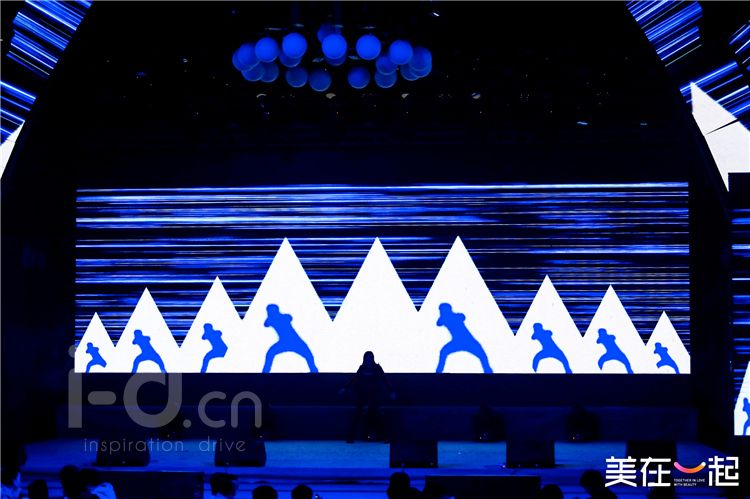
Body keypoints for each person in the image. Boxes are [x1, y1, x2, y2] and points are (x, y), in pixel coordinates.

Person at [341, 351, 394, 442]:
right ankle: (350, 437)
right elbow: (354, 379)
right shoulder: (362, 368)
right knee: (357, 414)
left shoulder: (377, 368)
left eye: (370, 357)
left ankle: (385, 437)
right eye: (367, 357)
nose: (368, 359)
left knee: (378, 415)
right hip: (362, 395)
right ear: (364, 359)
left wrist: (391, 391)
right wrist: (345, 388)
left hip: (374, 395)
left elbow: (384, 379)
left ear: (372, 358)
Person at [435, 303, 492, 373]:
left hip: (468, 341)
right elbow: (438, 323)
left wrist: (447, 314)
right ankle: (438, 372)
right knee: (443, 352)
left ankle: (488, 371)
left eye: (442, 310)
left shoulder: (453, 316)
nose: (441, 311)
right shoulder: (445, 318)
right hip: (458, 341)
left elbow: (462, 317)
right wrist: (444, 315)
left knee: (482, 356)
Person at [262, 304, 318, 373]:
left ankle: (314, 371)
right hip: (285, 342)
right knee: (270, 353)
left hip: (295, 341)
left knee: (308, 355)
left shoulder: (281, 318)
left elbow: (289, 317)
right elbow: (266, 324)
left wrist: (272, 316)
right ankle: (265, 372)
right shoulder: (275, 319)